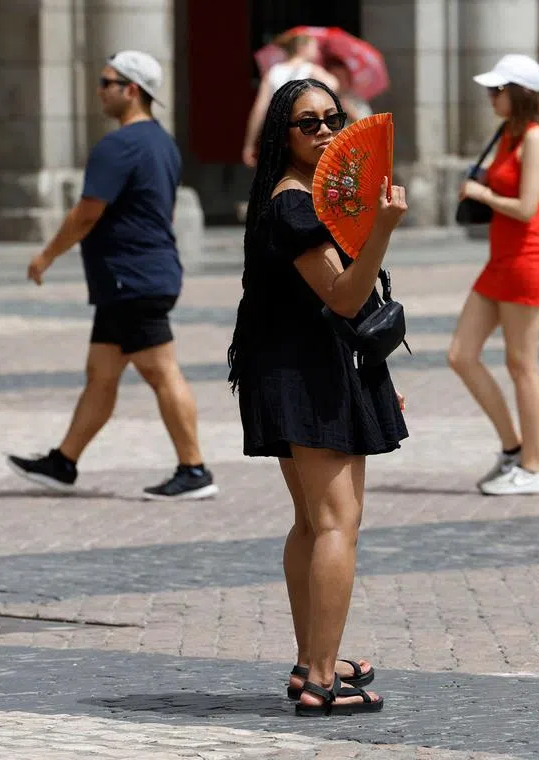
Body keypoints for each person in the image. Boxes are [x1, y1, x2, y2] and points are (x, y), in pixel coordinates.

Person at [227, 78, 408, 715]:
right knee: (338, 523)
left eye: (334, 117)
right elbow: (346, 297)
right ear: (283, 133)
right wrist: (383, 227)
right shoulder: (294, 206)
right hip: (305, 374)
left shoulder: (302, 199)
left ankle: (312, 659)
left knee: (311, 521)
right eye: (309, 123)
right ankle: (324, 683)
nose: (326, 130)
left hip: (301, 365)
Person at [6, 50, 217, 502]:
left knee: (161, 371)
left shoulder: (119, 146)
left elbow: (87, 213)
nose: (100, 91)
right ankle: (64, 462)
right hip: (139, 274)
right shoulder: (163, 143)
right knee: (101, 372)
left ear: (132, 89)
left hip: (132, 277)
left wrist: (45, 256)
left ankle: (194, 469)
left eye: (107, 82)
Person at [451, 54, 539, 496]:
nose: (490, 97)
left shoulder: (534, 136)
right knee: (460, 354)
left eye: (497, 90)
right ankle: (512, 448)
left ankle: (533, 467)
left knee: (522, 366)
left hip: (526, 260)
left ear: (520, 93)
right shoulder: (509, 134)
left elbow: (527, 207)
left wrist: (481, 192)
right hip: (499, 260)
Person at [242, 35, 338, 168]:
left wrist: (249, 144)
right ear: (302, 48)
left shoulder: (273, 71)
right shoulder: (311, 69)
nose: (318, 52)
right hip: (304, 134)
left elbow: (259, 110)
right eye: (315, 47)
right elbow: (334, 85)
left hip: (278, 134)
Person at [324, 57, 372, 122]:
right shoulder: (320, 99)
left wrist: (352, 114)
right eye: (335, 77)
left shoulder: (357, 102)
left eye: (343, 78)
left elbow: (369, 127)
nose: (339, 82)